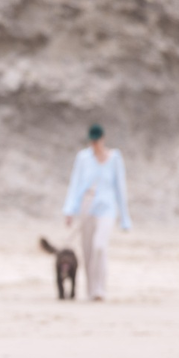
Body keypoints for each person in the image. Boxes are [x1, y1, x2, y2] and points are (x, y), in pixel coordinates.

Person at [62, 124, 131, 301]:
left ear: (103, 139)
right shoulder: (83, 158)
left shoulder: (115, 158)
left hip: (107, 208)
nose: (94, 144)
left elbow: (120, 188)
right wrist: (69, 209)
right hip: (87, 207)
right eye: (91, 141)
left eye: (96, 141)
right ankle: (91, 289)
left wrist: (125, 218)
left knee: (99, 246)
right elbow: (75, 184)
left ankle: (100, 289)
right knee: (87, 251)